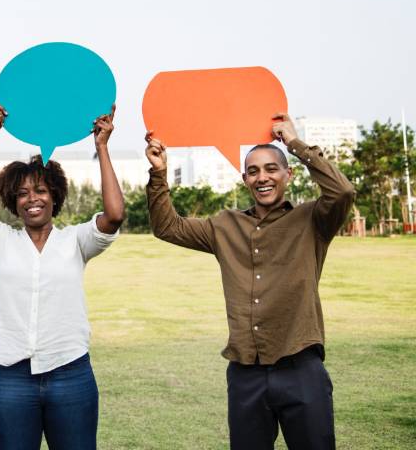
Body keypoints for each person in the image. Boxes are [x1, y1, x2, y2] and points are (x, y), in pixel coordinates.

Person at [144, 113, 355, 449]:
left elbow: (342, 191)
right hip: (245, 374)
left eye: (271, 169)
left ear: (287, 174)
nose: (262, 177)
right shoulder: (224, 226)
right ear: (245, 179)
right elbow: (167, 227)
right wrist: (158, 172)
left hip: (301, 368)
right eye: (253, 171)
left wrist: (295, 144)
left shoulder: (313, 220)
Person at [0, 92, 124, 450]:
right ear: (13, 202)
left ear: (55, 196)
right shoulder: (0, 239)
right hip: (9, 378)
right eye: (22, 193)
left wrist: (102, 147)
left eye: (41, 190)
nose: (33, 198)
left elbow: (114, 215)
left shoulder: (76, 241)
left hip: (70, 374)